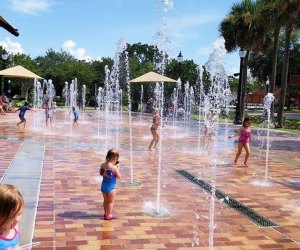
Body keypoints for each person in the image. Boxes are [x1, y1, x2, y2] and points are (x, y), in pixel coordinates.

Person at [0, 184, 24, 250]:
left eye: (19, 214)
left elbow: (16, 245)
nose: (17, 219)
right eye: (11, 217)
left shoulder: (14, 227)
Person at [99, 149, 121, 220]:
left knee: (105, 201)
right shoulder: (114, 167)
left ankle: (105, 213)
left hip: (103, 187)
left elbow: (100, 173)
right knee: (110, 202)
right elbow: (119, 177)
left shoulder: (103, 165)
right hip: (111, 188)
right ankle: (109, 215)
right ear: (115, 158)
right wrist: (117, 169)